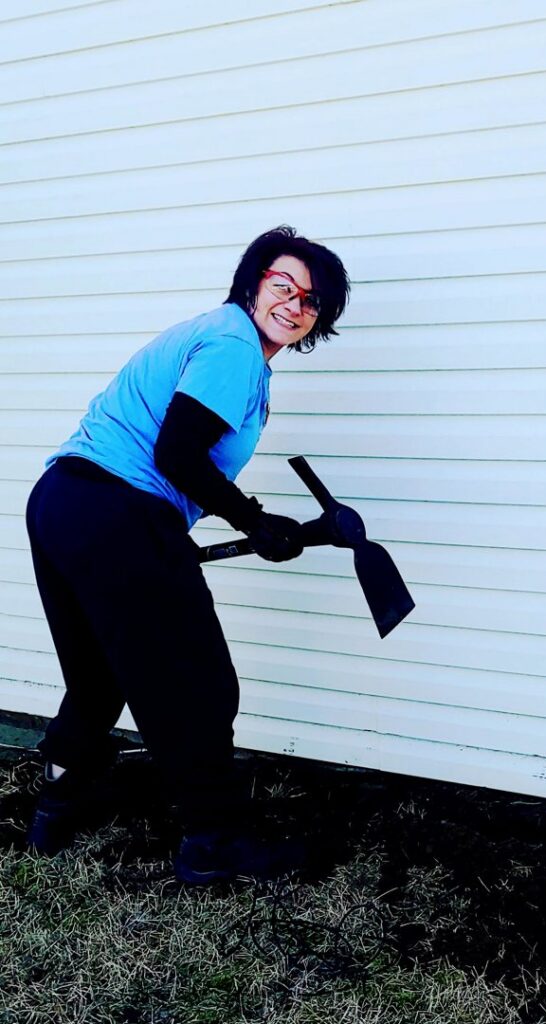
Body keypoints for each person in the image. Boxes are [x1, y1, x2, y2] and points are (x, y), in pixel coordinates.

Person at [24, 225, 350, 884]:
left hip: (62, 502)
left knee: (98, 677)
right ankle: (215, 843)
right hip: (118, 512)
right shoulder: (233, 346)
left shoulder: (215, 337)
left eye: (311, 300)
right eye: (282, 285)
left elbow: (175, 460)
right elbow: (177, 453)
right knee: (196, 683)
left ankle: (55, 806)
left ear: (320, 318)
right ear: (253, 283)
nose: (294, 304)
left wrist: (249, 524)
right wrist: (255, 520)